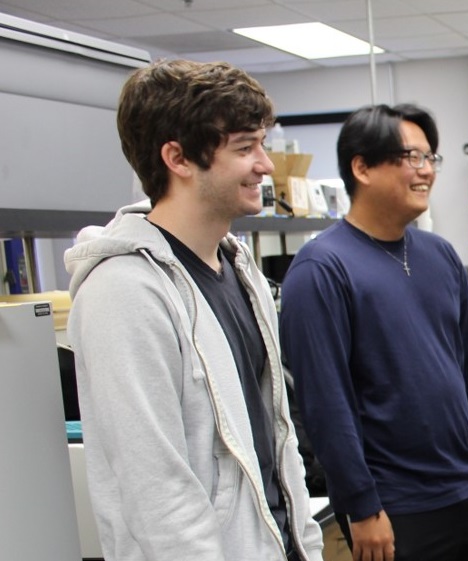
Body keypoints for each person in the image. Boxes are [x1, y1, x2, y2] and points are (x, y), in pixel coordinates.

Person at [64, 59, 324, 561]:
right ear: (178, 159)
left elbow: (275, 440)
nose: (266, 165)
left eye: (262, 145)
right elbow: (156, 490)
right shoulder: (124, 291)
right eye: (245, 148)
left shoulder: (237, 268)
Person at [280, 103, 468, 561]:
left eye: (431, 158)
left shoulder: (440, 255)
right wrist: (360, 505)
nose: (427, 171)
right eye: (412, 157)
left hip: (467, 482)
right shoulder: (321, 270)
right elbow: (324, 405)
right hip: (393, 503)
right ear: (362, 167)